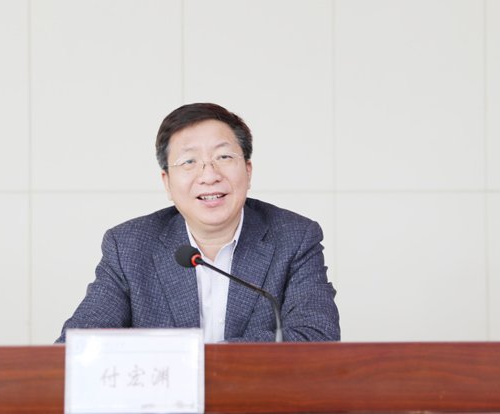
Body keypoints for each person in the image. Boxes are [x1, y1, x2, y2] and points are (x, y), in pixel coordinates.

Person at [56, 103, 340, 343]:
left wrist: (199, 361)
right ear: (167, 182)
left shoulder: (295, 237)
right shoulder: (129, 246)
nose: (209, 175)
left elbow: (316, 337)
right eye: (189, 162)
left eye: (224, 157)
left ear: (248, 171)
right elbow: (77, 346)